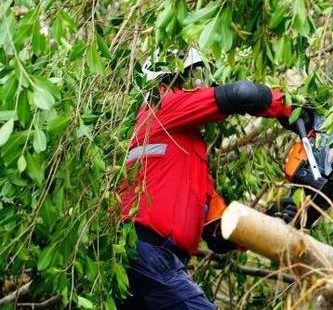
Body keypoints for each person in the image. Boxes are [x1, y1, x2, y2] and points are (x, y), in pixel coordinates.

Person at [117, 48, 307, 309]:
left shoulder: (188, 155)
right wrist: (290, 108)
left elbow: (217, 233)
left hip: (158, 261)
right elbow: (242, 94)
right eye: (191, 79)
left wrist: (267, 219)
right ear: (164, 83)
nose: (199, 87)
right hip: (147, 252)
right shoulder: (160, 107)